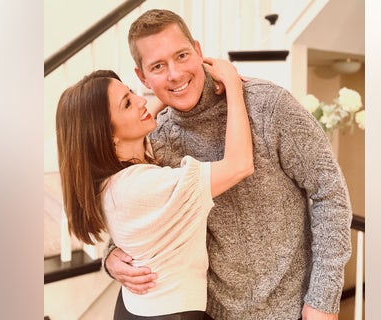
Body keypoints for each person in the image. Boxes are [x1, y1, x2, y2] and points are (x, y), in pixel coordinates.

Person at [104, 9, 353, 320]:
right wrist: (112, 254)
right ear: (142, 77)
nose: (175, 74)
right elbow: (141, 209)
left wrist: (323, 298)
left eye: (181, 55)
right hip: (209, 312)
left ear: (198, 51)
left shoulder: (267, 105)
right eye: (158, 66)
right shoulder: (158, 136)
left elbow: (329, 192)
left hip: (290, 309)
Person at [56, 59, 253, 319]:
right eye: (127, 103)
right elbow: (239, 165)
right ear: (108, 135)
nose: (140, 101)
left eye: (131, 92)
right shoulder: (146, 186)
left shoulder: (113, 174)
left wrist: (167, 91)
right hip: (171, 313)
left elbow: (136, 119)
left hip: (134, 307)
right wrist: (232, 83)